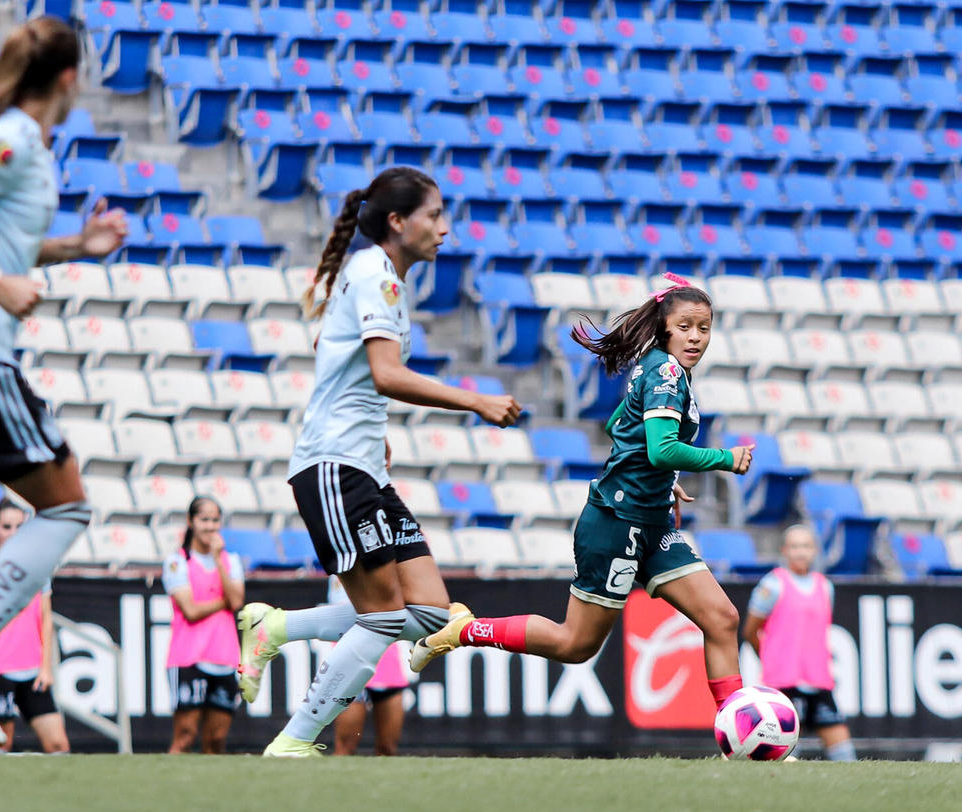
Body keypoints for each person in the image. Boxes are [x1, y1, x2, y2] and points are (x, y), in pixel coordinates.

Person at [233, 167, 522, 757]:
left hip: (362, 462)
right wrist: (475, 400)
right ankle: (293, 742)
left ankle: (278, 628)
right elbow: (386, 373)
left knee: (429, 612)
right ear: (398, 221)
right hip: (335, 465)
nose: (444, 228)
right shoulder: (376, 276)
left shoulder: (375, 274)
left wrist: (367, 420)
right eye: (434, 215)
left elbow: (333, 352)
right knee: (386, 615)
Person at [410, 277, 754, 715]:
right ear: (665, 327)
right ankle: (464, 629)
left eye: (704, 328)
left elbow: (618, 426)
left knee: (721, 619)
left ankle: (741, 732)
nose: (695, 337)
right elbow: (661, 447)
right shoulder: (667, 372)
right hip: (617, 523)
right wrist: (726, 458)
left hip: (650, 522)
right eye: (685, 326)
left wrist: (662, 480)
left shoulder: (658, 366)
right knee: (575, 644)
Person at [0, 17, 127, 746]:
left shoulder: (23, 145)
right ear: (69, 78)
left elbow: (3, 235)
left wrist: (74, 247)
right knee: (66, 505)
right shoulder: (17, 136)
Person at [0, 499, 69, 753]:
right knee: (1, 745)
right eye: (7, 527)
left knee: (58, 744)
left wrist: (46, 667)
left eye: (19, 527)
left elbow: (46, 618)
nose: (13, 533)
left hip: (32, 671)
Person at [742, 524, 855, 762]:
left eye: (805, 546)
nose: (800, 552)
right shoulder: (772, 584)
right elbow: (751, 630)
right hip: (783, 683)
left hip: (818, 681)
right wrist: (771, 659)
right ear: (784, 550)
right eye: (794, 546)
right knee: (786, 750)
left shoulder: (825, 587)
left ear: (814, 550)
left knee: (844, 752)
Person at [162, 497, 245, 754]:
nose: (210, 526)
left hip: (224, 658)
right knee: (185, 737)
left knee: (216, 740)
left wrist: (219, 559)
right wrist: (224, 602)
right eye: (204, 520)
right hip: (189, 658)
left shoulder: (230, 560)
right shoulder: (177, 562)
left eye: (215, 520)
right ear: (191, 522)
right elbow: (192, 610)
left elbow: (238, 601)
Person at [327, 576, 408, 756]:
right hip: (349, 654)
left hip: (387, 658)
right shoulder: (346, 554)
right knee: (344, 748)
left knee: (388, 749)